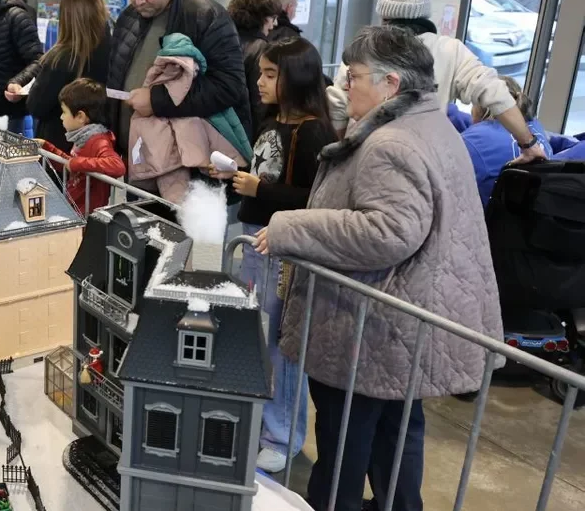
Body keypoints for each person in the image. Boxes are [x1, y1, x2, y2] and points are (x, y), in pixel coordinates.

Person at [257, 26, 502, 511]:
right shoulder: (430, 125)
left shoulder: (392, 144)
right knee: (396, 432)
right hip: (406, 323)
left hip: (373, 329)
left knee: (346, 442)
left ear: (391, 83)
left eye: (354, 76)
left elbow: (388, 232)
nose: (345, 84)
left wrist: (292, 228)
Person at [222, 37, 335, 473]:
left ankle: (283, 433)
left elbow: (314, 198)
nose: (260, 81)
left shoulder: (313, 132)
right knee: (257, 336)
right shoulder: (271, 121)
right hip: (254, 240)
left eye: (271, 74)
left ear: (296, 78)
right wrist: (242, 178)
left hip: (282, 248)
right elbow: (266, 173)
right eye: (262, 72)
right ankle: (265, 421)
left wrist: (260, 189)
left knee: (280, 344)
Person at [329, 0, 546, 164]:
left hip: (363, 152)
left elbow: (337, 103)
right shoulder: (450, 50)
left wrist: (342, 148)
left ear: (384, 16)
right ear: (424, 14)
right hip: (420, 156)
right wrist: (529, 143)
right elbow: (496, 93)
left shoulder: (363, 50)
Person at [111, 0, 252, 159]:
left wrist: (157, 102)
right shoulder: (128, 17)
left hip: (190, 162)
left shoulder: (205, 17)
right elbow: (116, 75)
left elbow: (228, 87)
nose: (138, 1)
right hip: (138, 156)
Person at [126, 33, 253, 203]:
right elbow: (229, 130)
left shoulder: (186, 99)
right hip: (191, 169)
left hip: (179, 170)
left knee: (179, 208)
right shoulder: (196, 96)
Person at [5, 0, 111, 152]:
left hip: (59, 146)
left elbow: (37, 105)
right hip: (98, 146)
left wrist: (28, 93)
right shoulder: (112, 51)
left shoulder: (61, 59)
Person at [37, 78, 126, 214]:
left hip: (88, 215)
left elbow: (116, 165)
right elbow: (70, 164)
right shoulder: (83, 137)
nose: (61, 117)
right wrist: (47, 147)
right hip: (76, 206)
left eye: (64, 112)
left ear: (80, 116)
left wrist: (76, 163)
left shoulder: (99, 140)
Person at [461, 76, 553, 206]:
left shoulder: (472, 141)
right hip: (529, 219)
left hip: (486, 220)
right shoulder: (537, 131)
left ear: (482, 106)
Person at [229, 0, 283, 131]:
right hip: (245, 126)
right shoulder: (260, 47)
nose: (274, 24)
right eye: (273, 18)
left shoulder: (228, 37)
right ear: (262, 17)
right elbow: (260, 101)